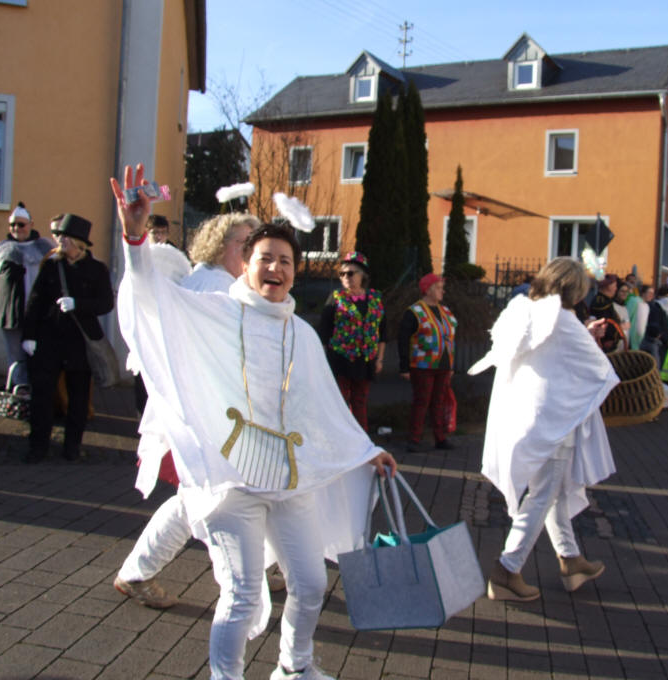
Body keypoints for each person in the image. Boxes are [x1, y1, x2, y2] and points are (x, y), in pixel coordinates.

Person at [112, 164, 396, 680]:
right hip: (231, 483)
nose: (276, 268)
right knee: (242, 594)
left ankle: (294, 668)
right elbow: (152, 301)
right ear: (245, 265)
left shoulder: (303, 335)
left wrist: (364, 450)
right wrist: (134, 238)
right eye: (265, 258)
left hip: (287, 481)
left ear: (296, 271)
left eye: (286, 261)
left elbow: (325, 409)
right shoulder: (217, 313)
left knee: (310, 585)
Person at [115, 212, 260, 609]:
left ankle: (257, 574)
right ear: (219, 245)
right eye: (243, 243)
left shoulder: (228, 285)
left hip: (220, 420)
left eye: (254, 243)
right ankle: (140, 573)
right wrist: (134, 238)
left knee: (216, 496)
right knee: (206, 499)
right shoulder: (209, 287)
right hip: (204, 421)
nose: (251, 252)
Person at [470, 257, 618, 602]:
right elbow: (601, 370)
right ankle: (507, 570)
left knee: (552, 492)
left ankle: (571, 560)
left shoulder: (525, 310)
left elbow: (552, 348)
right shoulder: (564, 320)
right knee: (543, 495)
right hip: (554, 422)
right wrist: (590, 338)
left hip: (526, 417)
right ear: (575, 290)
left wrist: (584, 334)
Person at [20, 214, 113, 463]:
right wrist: (29, 336)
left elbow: (105, 303)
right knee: (42, 396)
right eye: (60, 239)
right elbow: (35, 301)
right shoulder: (51, 265)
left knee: (79, 398)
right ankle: (38, 446)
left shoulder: (97, 270)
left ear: (79, 244)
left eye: (66, 240)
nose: (61, 243)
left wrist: (78, 304)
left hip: (80, 343)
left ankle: (72, 446)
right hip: (49, 340)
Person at [318, 252, 386, 432]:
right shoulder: (336, 298)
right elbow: (324, 330)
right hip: (340, 358)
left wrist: (379, 359)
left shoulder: (375, 299)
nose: (345, 277)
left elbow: (382, 331)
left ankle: (361, 438)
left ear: (362, 275)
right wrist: (324, 357)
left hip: (365, 360)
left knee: (360, 401)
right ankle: (338, 436)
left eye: (350, 273)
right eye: (342, 274)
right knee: (339, 400)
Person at [0, 204, 54, 389]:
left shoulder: (45, 247)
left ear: (31, 224)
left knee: (38, 353)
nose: (17, 229)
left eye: (21, 224)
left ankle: (40, 392)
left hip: (39, 312)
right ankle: (19, 391)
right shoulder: (1, 249)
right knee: (16, 355)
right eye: (13, 225)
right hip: (12, 312)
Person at [398, 273, 457, 453]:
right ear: (429, 289)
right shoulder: (414, 312)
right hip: (422, 365)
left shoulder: (446, 311)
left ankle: (440, 438)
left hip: (443, 365)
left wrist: (452, 365)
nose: (442, 291)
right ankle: (414, 439)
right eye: (439, 287)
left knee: (438, 402)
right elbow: (403, 339)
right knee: (422, 401)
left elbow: (452, 338)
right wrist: (404, 366)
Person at [589, 274, 624, 353]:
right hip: (605, 344)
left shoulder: (607, 300)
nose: (616, 289)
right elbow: (604, 322)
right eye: (614, 286)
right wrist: (608, 339)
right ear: (608, 286)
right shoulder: (600, 302)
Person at [617, 280, 647, 351]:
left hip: (627, 341)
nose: (625, 294)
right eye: (622, 291)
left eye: (626, 291)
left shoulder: (630, 303)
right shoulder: (633, 301)